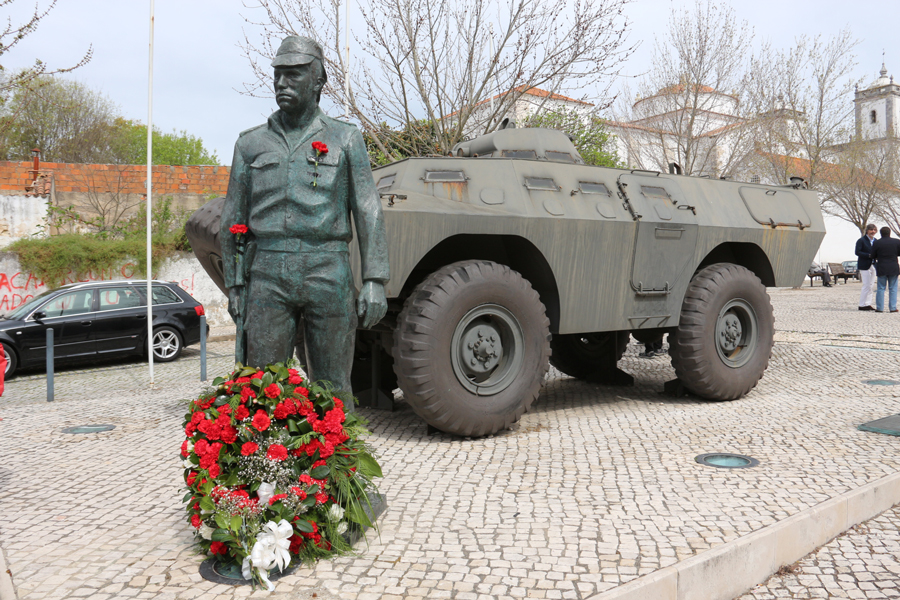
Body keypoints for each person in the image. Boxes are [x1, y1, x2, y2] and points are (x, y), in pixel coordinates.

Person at [220, 36, 390, 404]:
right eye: (278, 75)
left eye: (293, 75)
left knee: (332, 386)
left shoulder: (345, 138)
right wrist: (235, 285)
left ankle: (336, 461)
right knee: (262, 386)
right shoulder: (250, 144)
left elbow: (368, 208)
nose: (281, 84)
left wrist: (375, 279)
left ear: (318, 81)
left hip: (327, 268)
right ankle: (265, 460)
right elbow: (232, 216)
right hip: (266, 271)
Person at [871, 226, 900, 313]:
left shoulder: (877, 243)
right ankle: (893, 308)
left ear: (881, 233)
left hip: (882, 266)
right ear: (889, 233)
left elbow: (872, 255)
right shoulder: (897, 242)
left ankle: (880, 308)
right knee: (893, 288)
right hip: (893, 266)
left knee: (880, 288)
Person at [855, 224, 878, 310]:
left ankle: (868, 303)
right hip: (864, 265)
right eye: (871, 230)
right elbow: (857, 252)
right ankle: (862, 304)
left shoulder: (875, 241)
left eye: (874, 230)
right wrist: (869, 255)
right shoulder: (861, 240)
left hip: (873, 265)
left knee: (871, 285)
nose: (873, 232)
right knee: (866, 285)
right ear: (867, 230)